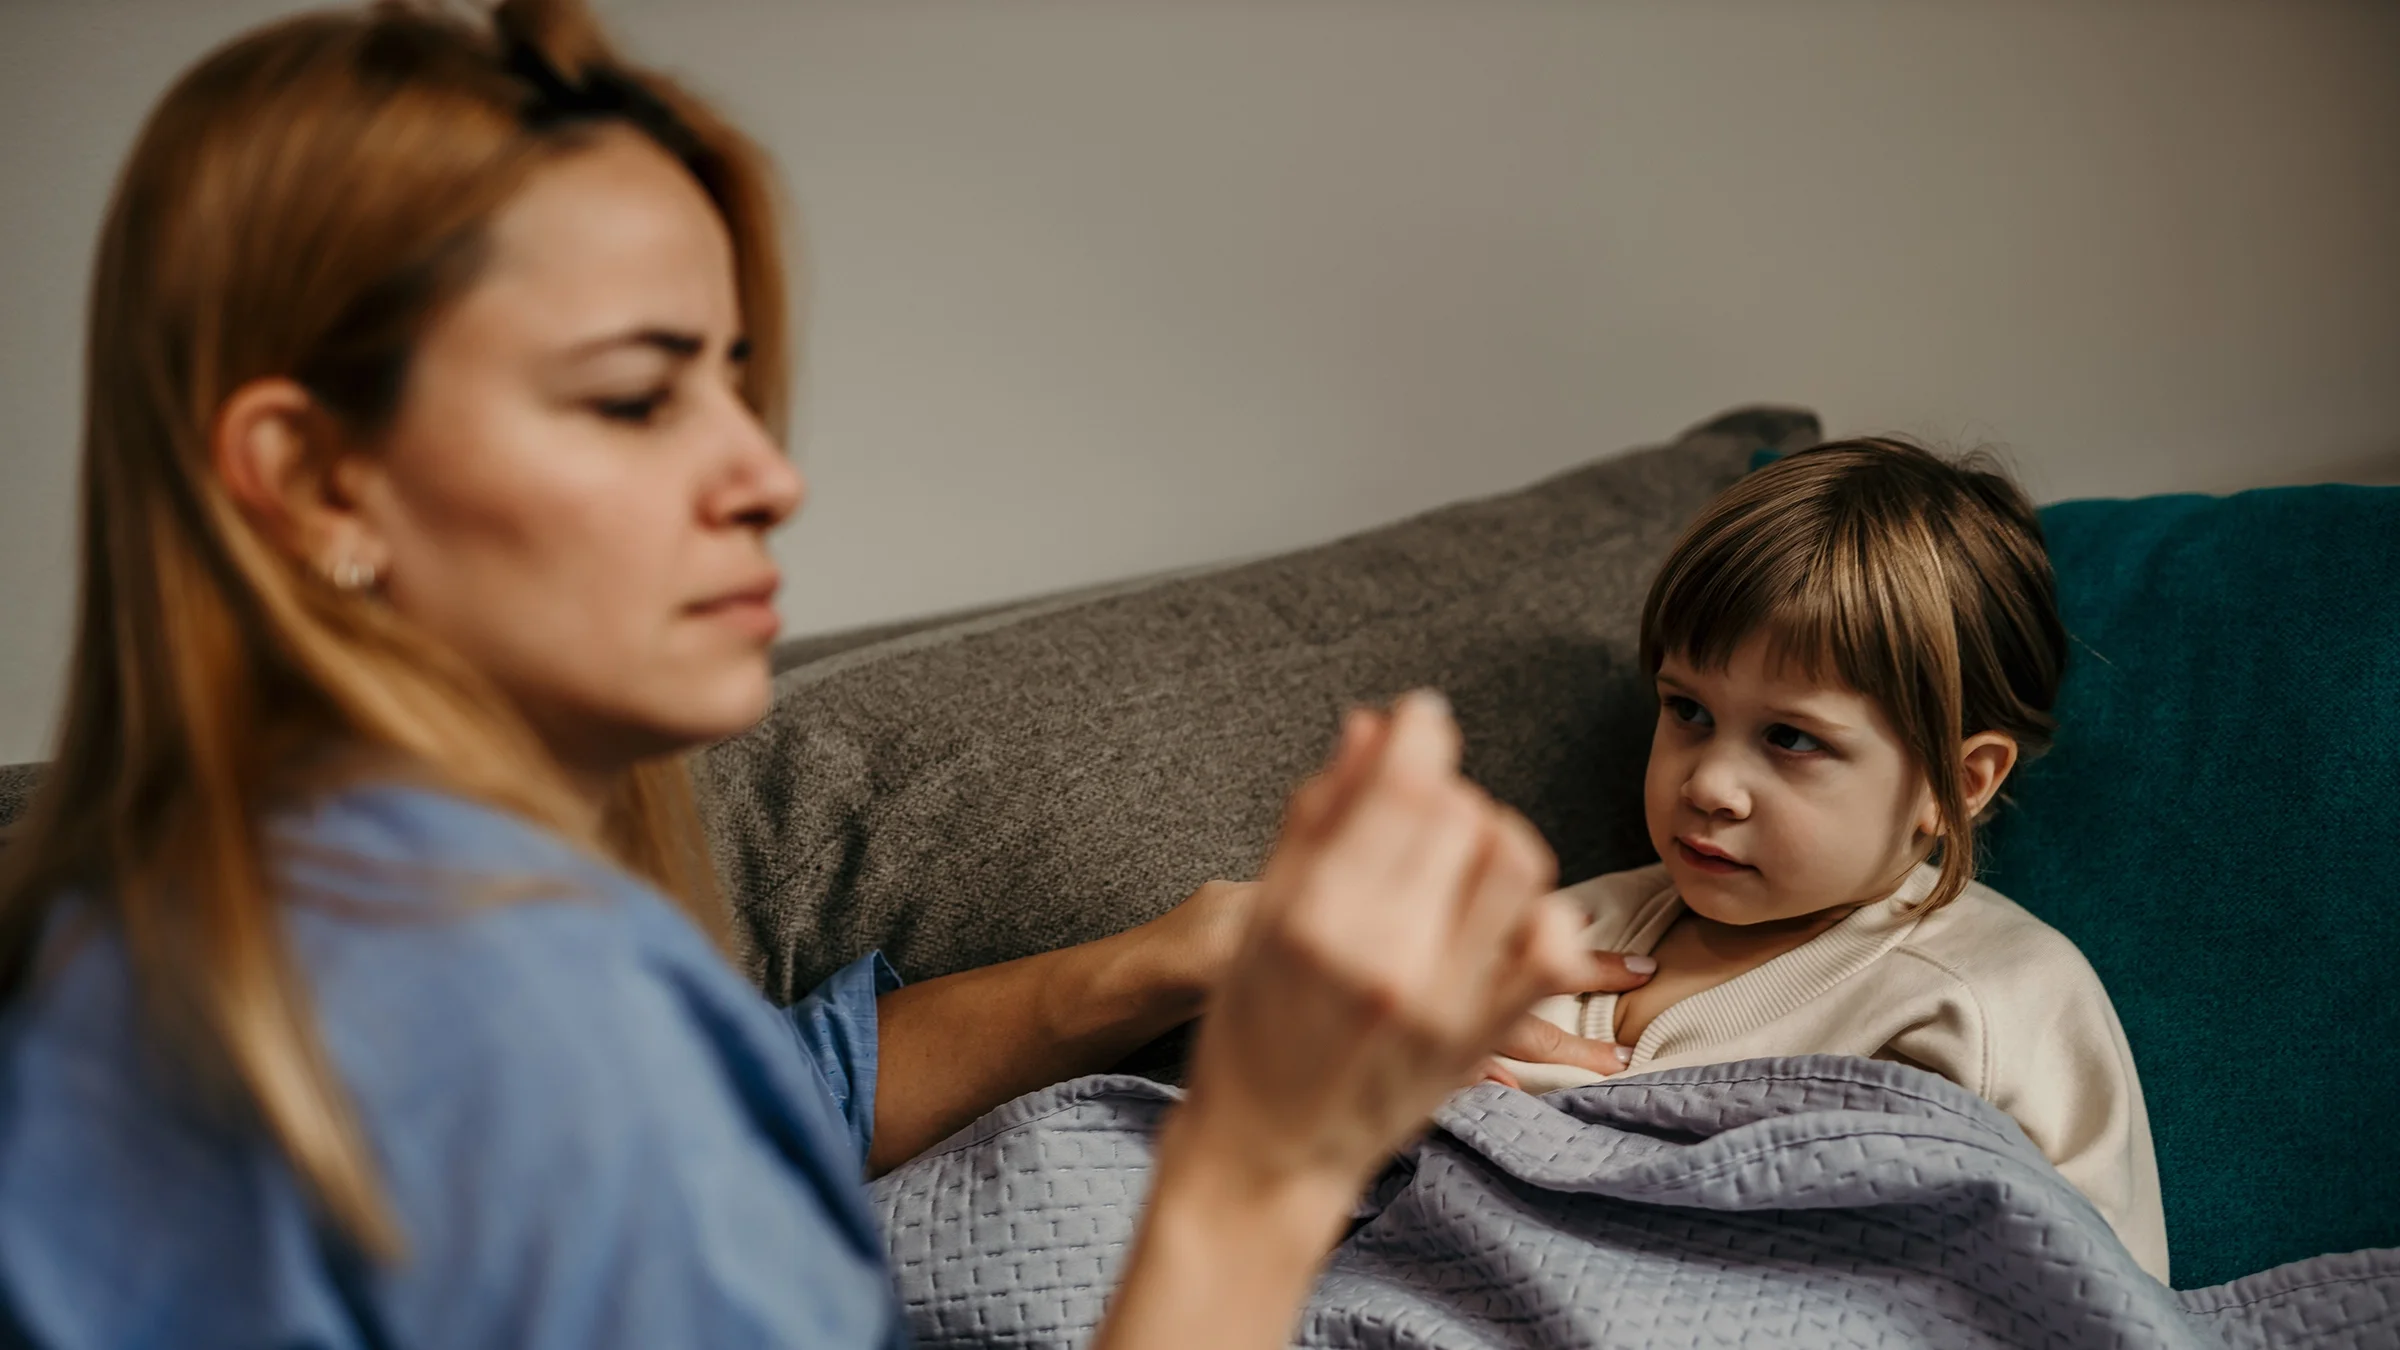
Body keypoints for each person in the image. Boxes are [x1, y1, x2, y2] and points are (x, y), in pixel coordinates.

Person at [0, 1, 1656, 1346]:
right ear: (316, 483)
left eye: (734, 380)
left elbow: (715, 1117)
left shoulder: (189, 928)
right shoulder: (512, 1007)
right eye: (637, 398)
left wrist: (1138, 968)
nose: (766, 472)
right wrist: (1261, 1174)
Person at [1490, 438, 2171, 1282]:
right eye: (1687, 710)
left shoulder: (1992, 1000)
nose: (1709, 785)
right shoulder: (1571, 930)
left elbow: (2099, 1295)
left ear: (1955, 784)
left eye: (1790, 738)